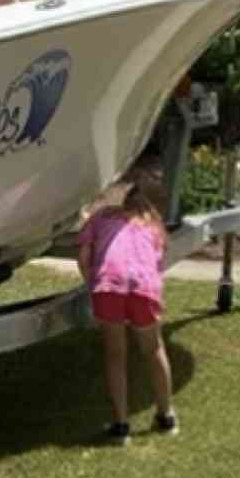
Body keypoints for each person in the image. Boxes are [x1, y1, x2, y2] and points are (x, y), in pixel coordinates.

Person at [76, 182, 178, 445]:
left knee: (115, 354)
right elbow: (156, 264)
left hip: (109, 285)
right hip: (144, 288)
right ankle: (166, 416)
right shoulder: (154, 227)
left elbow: (84, 256)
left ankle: (121, 425)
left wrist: (91, 285)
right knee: (154, 350)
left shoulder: (101, 217)